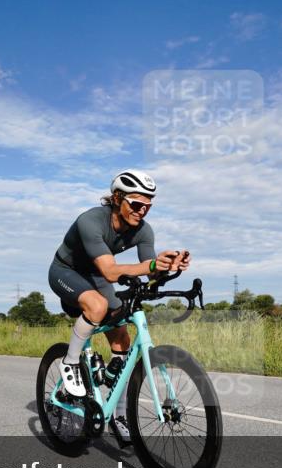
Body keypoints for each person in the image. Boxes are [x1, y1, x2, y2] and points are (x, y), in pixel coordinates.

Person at [48, 169, 189, 444]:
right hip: (66, 271)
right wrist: (150, 265)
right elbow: (111, 271)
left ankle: (120, 414)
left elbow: (150, 273)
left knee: (123, 337)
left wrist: (169, 266)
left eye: (149, 205)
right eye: (137, 204)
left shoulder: (144, 230)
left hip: (96, 277)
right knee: (98, 306)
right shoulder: (91, 220)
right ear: (117, 198)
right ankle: (71, 362)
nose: (143, 211)